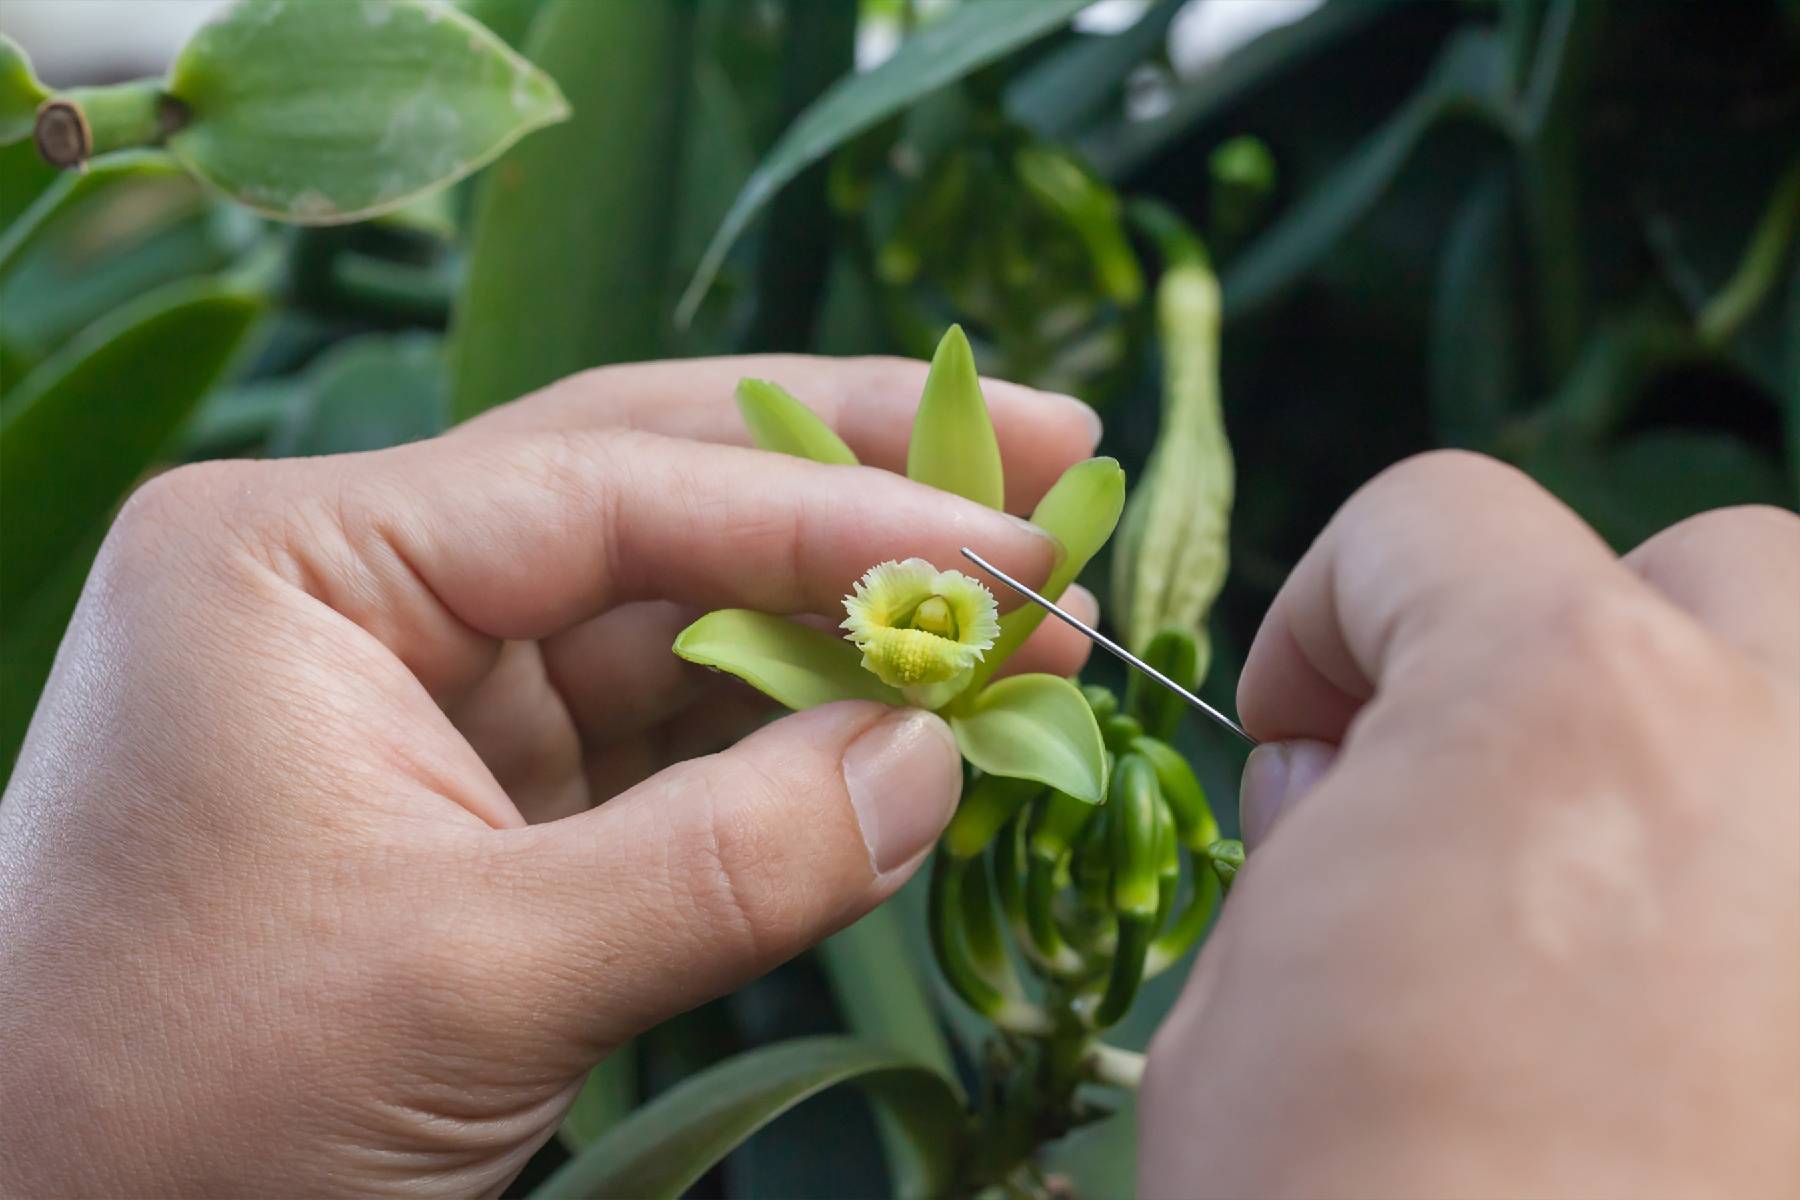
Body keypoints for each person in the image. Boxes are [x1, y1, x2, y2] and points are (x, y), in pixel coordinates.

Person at [0, 357, 1793, 1199]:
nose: (934, 606)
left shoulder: (1010, 716)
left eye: (947, 606)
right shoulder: (845, 677)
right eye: (927, 604)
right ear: (885, 634)